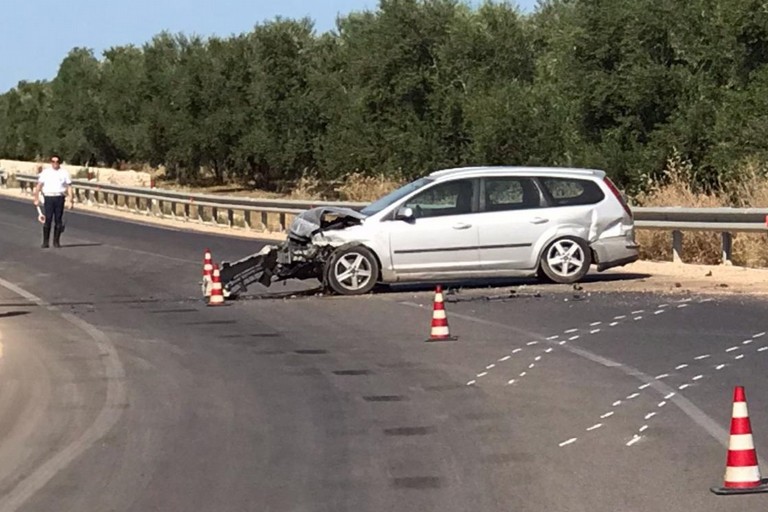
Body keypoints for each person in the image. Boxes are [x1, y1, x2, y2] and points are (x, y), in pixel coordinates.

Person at [33, 154, 74, 248]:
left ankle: (56, 242)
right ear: (51, 162)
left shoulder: (64, 173)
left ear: (59, 162)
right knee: (48, 219)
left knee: (58, 220)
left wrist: (70, 200)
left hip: (59, 197)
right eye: (53, 161)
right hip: (48, 197)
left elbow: (69, 187)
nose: (55, 163)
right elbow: (39, 186)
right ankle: (45, 242)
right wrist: (36, 198)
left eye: (57, 161)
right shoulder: (46, 172)